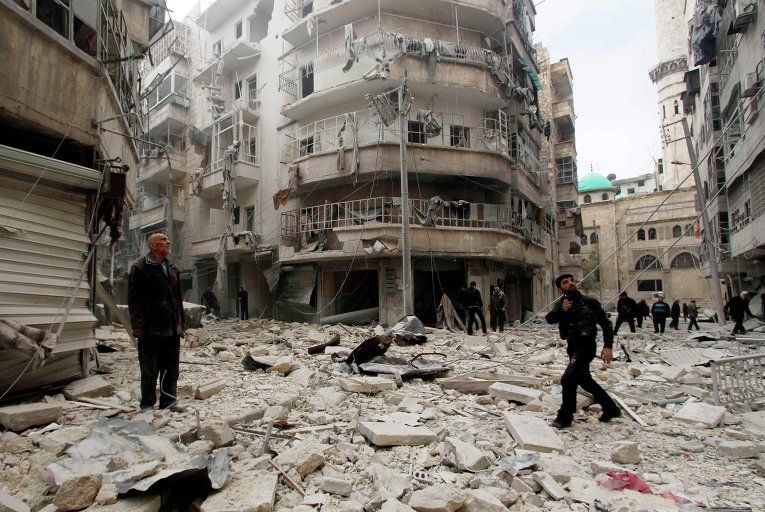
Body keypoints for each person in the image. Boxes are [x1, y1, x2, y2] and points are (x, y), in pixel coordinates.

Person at [545, 274, 621, 429]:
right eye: (565, 282)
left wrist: (608, 346)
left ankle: (564, 417)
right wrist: (562, 310)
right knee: (585, 380)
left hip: (586, 346)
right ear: (560, 289)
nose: (570, 283)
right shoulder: (562, 304)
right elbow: (549, 319)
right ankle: (611, 408)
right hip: (572, 347)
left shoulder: (589, 302)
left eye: (571, 280)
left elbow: (606, 324)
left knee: (568, 379)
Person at [128, 233, 186, 412]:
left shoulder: (172, 268)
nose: (168, 242)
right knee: (149, 369)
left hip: (171, 328)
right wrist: (137, 325)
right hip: (150, 328)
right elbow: (134, 299)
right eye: (163, 240)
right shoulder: (140, 267)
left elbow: (177, 299)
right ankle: (147, 403)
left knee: (171, 368)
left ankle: (168, 402)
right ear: (154, 246)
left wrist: (181, 324)